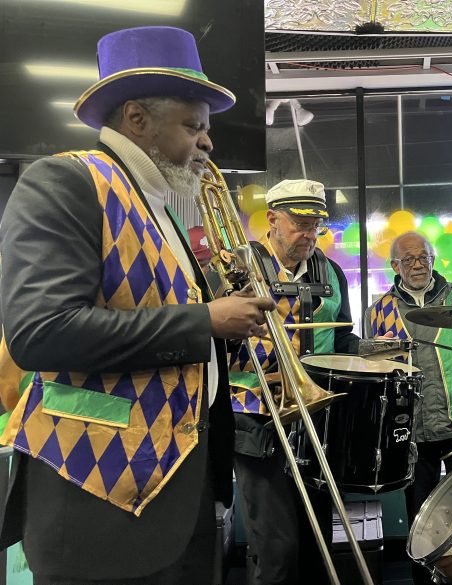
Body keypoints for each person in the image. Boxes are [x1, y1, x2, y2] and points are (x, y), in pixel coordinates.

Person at [0, 26, 274, 584]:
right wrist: (205, 321)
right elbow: (40, 332)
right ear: (136, 119)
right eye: (193, 126)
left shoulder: (163, 213)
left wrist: (229, 331)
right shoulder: (64, 180)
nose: (208, 142)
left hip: (184, 490)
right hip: (98, 506)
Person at [229, 179, 360, 585]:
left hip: (315, 417)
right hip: (257, 418)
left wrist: (375, 355)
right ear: (271, 219)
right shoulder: (237, 265)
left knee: (317, 540)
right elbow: (214, 339)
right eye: (300, 223)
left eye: (316, 224)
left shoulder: (331, 271)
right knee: (276, 548)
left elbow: (342, 338)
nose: (310, 234)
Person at [365, 231, 452, 585]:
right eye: (408, 259)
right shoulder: (379, 312)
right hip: (412, 438)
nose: (418, 264)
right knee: (421, 530)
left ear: (434, 259)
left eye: (423, 257)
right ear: (395, 266)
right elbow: (375, 381)